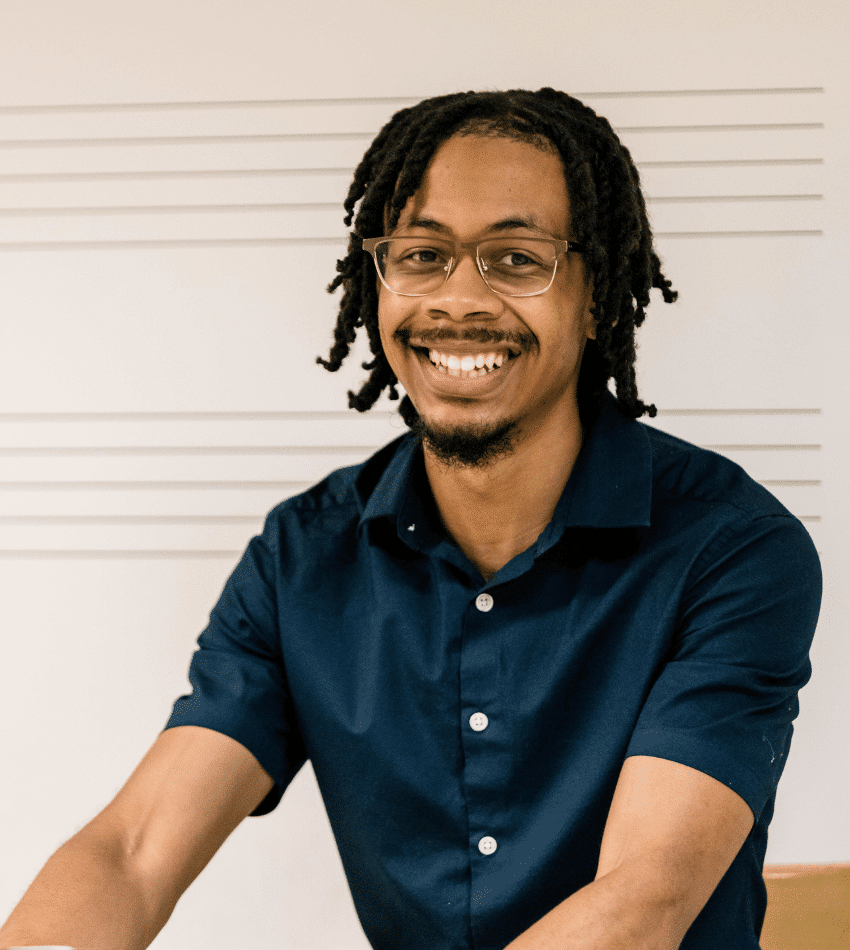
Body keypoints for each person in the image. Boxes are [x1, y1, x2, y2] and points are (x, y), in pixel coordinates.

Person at [0, 88, 821, 950]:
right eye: (422, 254)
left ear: (596, 299)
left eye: (515, 258)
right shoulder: (301, 560)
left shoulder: (733, 552)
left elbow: (638, 907)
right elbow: (131, 854)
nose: (459, 300)